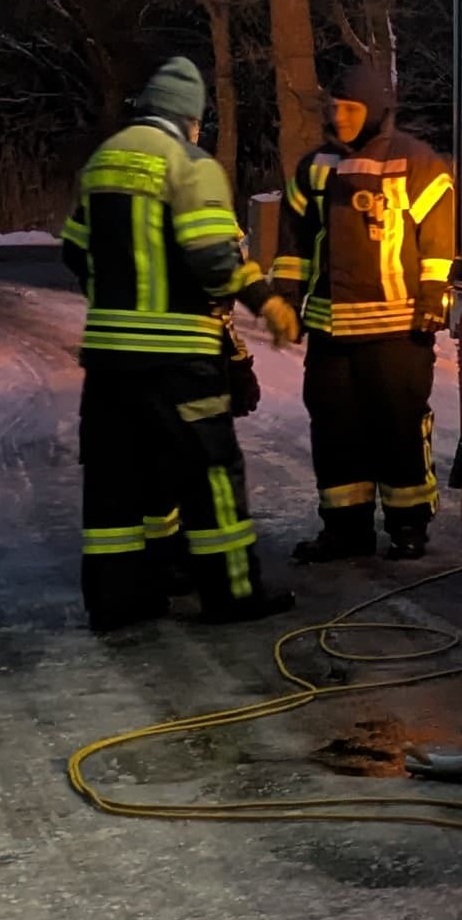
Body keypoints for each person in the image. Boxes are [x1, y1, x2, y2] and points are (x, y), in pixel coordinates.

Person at [57, 55, 293, 630]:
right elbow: (215, 259)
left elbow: (74, 250)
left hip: (110, 360)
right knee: (209, 475)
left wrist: (115, 301)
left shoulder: (103, 162)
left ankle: (118, 604)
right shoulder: (190, 165)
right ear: (191, 119)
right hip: (178, 359)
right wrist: (262, 302)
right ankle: (232, 595)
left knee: (115, 485)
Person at [258, 49, 457, 562]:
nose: (337, 116)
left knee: (398, 428)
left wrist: (434, 297)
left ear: (374, 109)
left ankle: (408, 525)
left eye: (349, 108)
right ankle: (345, 530)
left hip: (398, 332)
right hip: (330, 333)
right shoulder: (315, 168)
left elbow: (437, 240)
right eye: (334, 106)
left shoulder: (416, 162)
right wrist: (286, 297)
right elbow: (296, 243)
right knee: (335, 431)